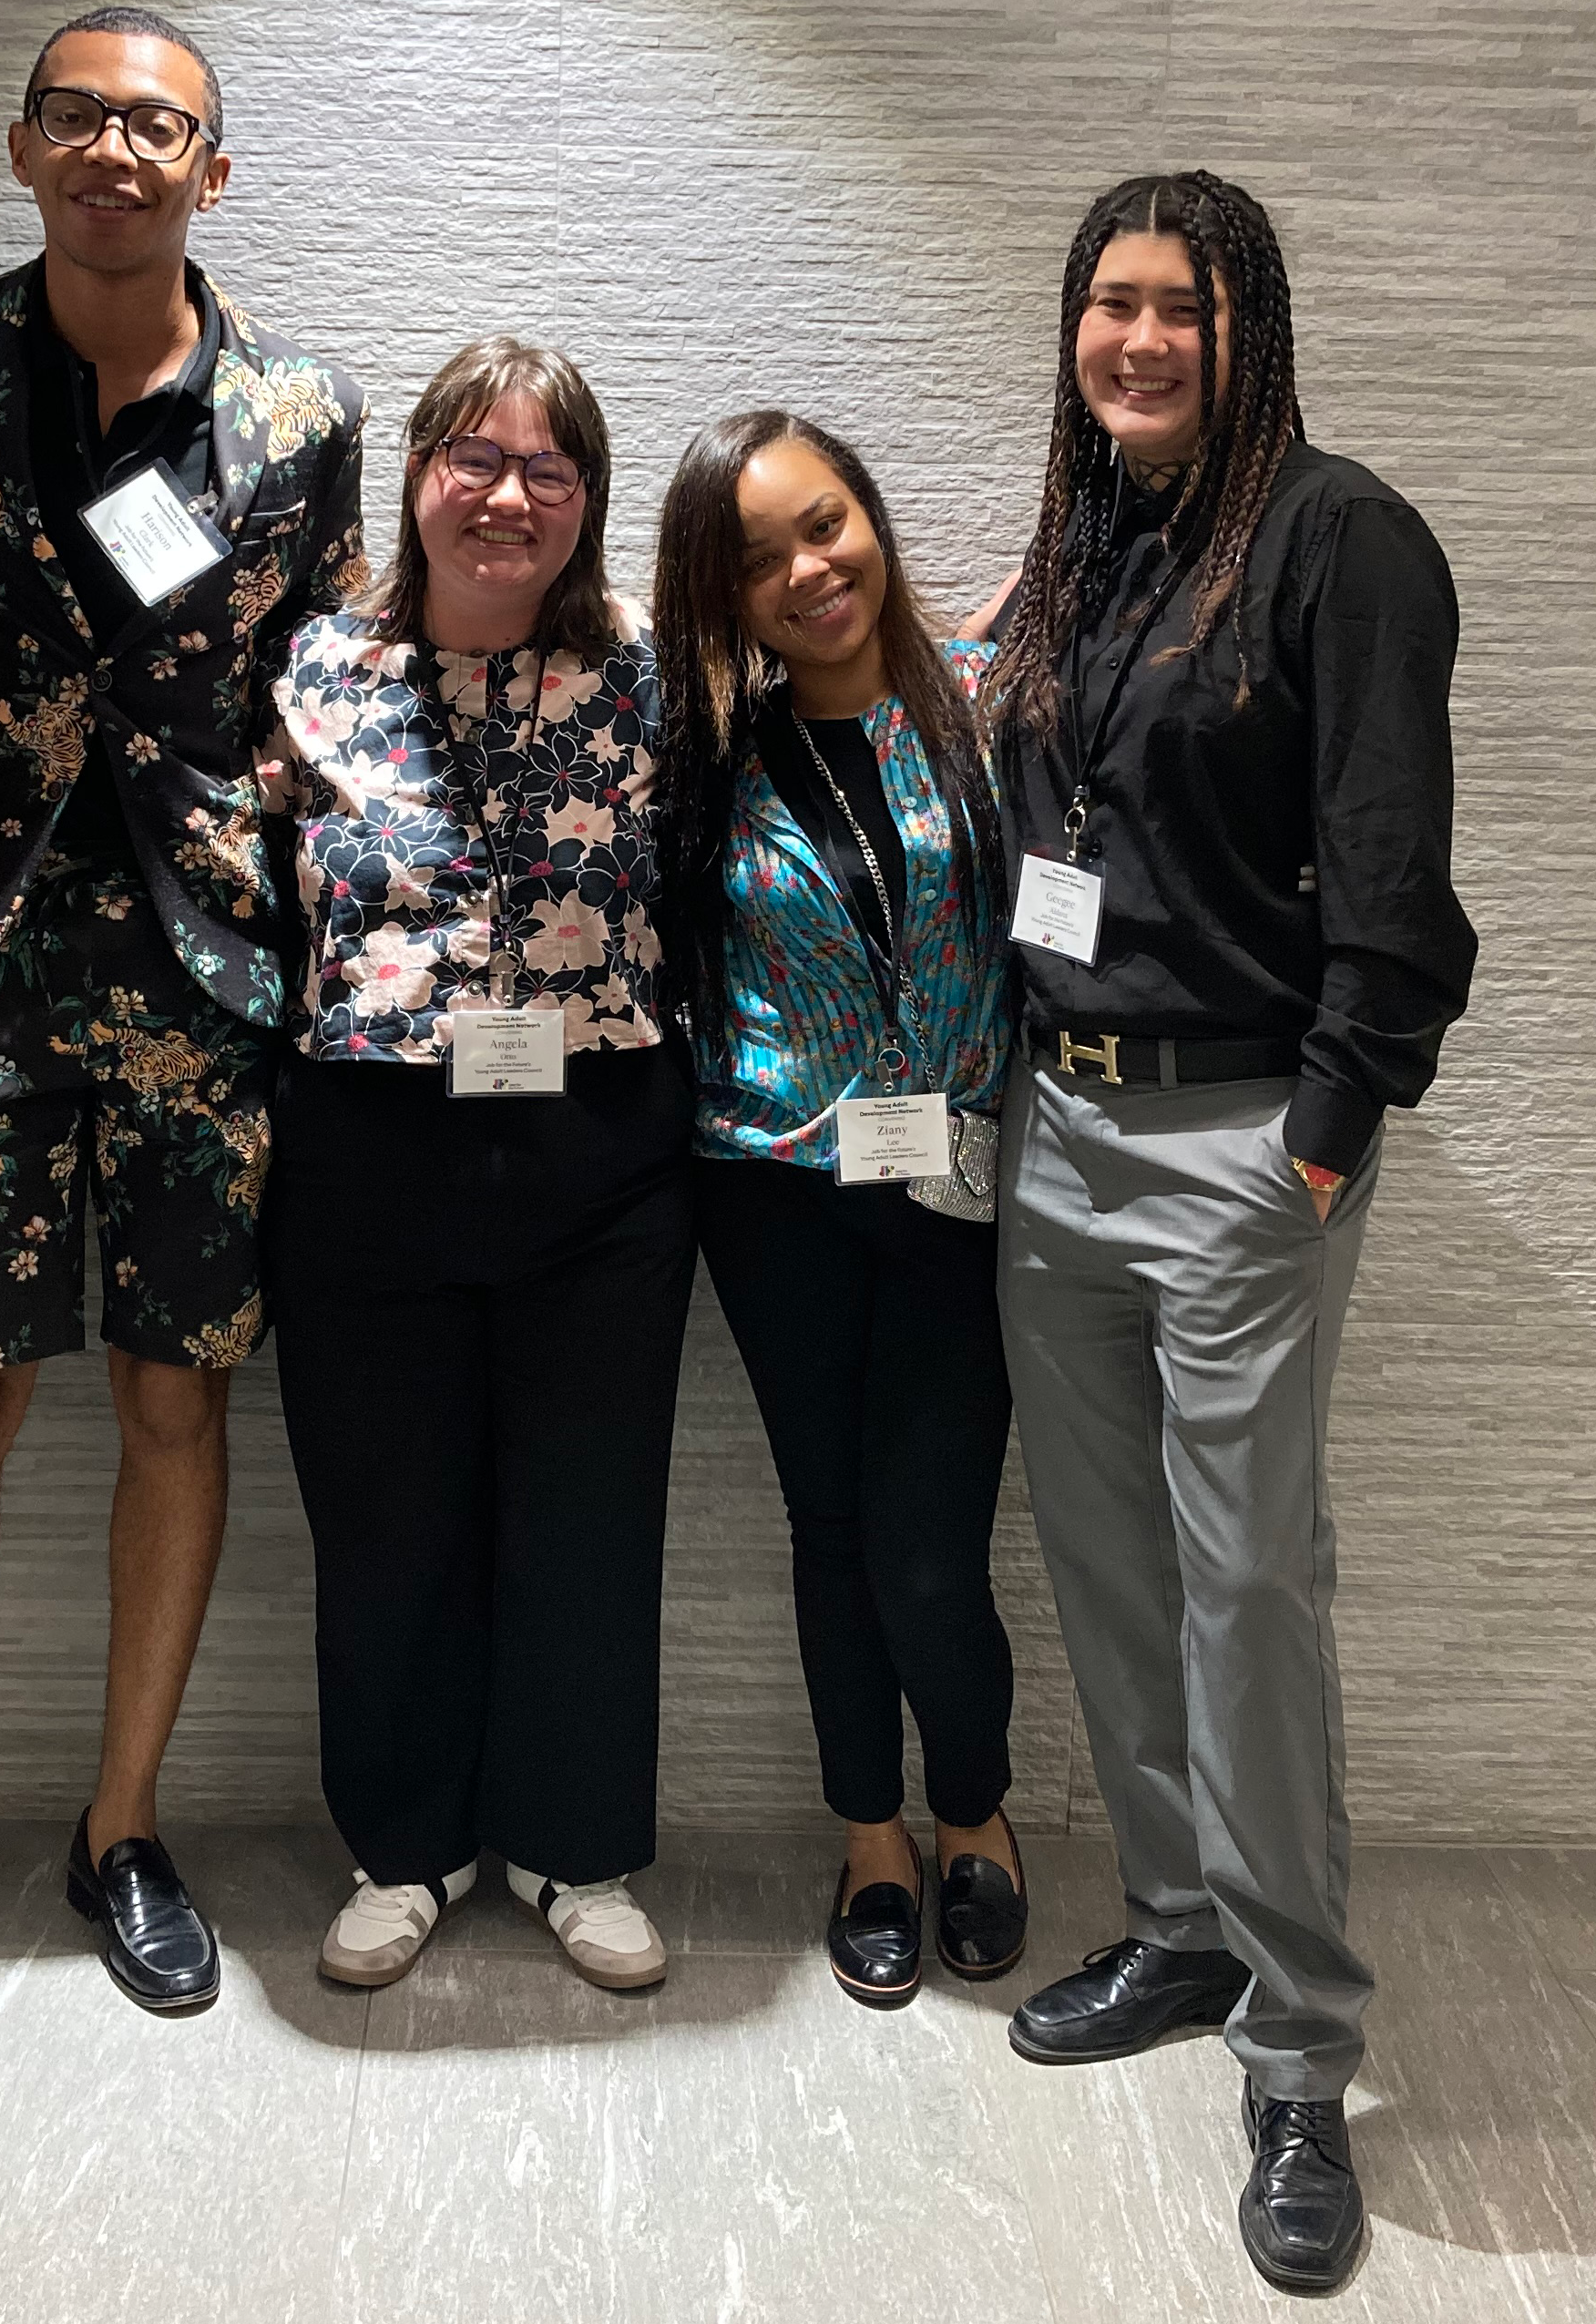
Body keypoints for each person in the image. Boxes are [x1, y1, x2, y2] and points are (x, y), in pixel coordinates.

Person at [0, 6, 364, 2016]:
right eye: (81, 117)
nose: (115, 151)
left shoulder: (304, 413)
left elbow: (314, 692)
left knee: (175, 1396)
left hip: (206, 970)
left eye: (159, 127)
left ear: (212, 173)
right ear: (23, 144)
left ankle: (120, 1824)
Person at [981, 171, 1475, 2297]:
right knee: (1107, 1570)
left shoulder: (1333, 534)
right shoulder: (1080, 547)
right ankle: (1181, 1932)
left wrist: (1331, 1121)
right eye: (1108, 303)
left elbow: (1387, 849)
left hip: (1236, 1151)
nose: (1137, 340)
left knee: (1247, 1589)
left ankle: (1296, 2051)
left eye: (1177, 306)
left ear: (1242, 324)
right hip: (1053, 1142)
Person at [261, 337, 694, 1995]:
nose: (508, 496)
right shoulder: (315, 666)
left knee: (587, 1512)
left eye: (551, 470)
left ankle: (575, 1848)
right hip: (369, 1142)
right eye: (474, 458)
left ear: (589, 503)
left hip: (602, 1147)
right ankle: (407, 1844)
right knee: (387, 1514)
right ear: (419, 474)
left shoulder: (661, 673)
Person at [649, 412, 1025, 2011]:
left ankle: (976, 1812)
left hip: (952, 1181)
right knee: (829, 1529)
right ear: (722, 598)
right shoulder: (704, 764)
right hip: (773, 1190)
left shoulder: (993, 715)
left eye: (827, 525)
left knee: (930, 1548)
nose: (811, 572)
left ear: (872, 515)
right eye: (760, 560)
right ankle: (872, 1836)